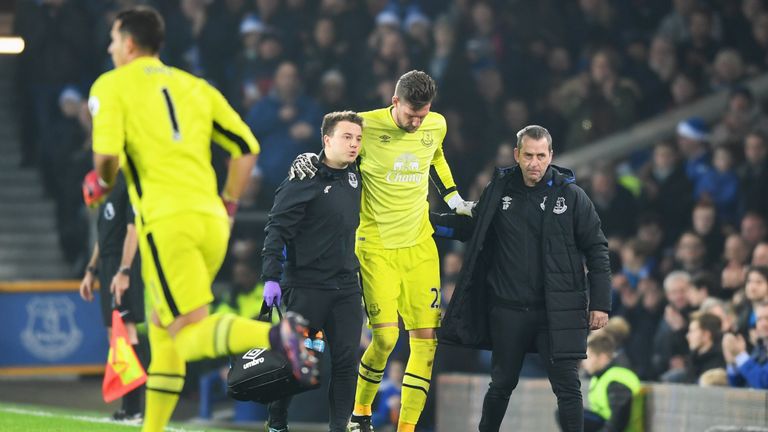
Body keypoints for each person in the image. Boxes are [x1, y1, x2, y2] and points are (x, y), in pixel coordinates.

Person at [82, 7, 318, 432]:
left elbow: (107, 160)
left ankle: (275, 337)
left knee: (187, 333)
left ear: (130, 43)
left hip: (166, 221)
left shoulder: (111, 85)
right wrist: (228, 205)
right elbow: (247, 149)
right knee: (161, 328)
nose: (110, 47)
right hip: (211, 219)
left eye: (114, 39)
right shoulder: (195, 86)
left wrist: (99, 183)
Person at [289, 70, 473, 432]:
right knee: (386, 338)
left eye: (422, 115)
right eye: (410, 115)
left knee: (426, 343)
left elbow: (435, 157)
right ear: (394, 103)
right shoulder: (365, 127)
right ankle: (361, 412)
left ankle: (405, 428)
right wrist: (310, 162)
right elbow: (336, 148)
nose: (417, 122)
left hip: (420, 247)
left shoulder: (436, 125)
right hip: (376, 248)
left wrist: (453, 197)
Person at [433, 125, 611, 432]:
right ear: (517, 155)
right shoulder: (499, 191)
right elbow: (471, 228)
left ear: (551, 156)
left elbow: (597, 250)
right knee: (501, 385)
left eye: (541, 156)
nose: (534, 163)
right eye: (528, 155)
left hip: (556, 311)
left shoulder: (571, 197)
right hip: (508, 310)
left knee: (568, 388)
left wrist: (601, 304)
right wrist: (425, 222)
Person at [261, 111, 365, 432]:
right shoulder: (304, 177)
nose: (354, 145)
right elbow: (276, 226)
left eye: (358, 139)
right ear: (326, 140)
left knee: (347, 363)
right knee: (298, 364)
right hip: (307, 287)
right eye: (347, 137)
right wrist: (270, 276)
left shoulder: (357, 173)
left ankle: (338, 429)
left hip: (346, 287)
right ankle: (277, 423)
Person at [80, 171, 146, 423]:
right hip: (107, 267)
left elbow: (133, 231)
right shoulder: (108, 192)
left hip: (122, 265)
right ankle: (126, 408)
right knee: (114, 337)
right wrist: (91, 270)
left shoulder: (127, 186)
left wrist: (125, 270)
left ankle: (135, 409)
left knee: (126, 334)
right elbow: (102, 238)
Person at [581, 332, 644, 432]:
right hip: (604, 423)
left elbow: (618, 422)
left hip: (619, 429)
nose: (584, 362)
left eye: (588, 357)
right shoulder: (600, 376)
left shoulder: (618, 379)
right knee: (568, 413)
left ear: (602, 358)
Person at [723, 301, 768, 389]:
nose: (763, 324)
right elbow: (738, 385)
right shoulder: (759, 348)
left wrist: (741, 355)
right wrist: (733, 362)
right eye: (759, 319)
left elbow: (763, 382)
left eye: (767, 318)